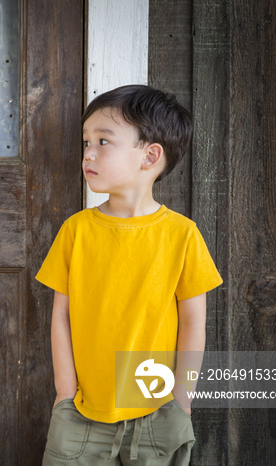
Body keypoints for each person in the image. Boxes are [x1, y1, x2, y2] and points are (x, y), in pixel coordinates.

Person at [36, 84, 223, 465]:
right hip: (81, 414)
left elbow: (193, 323)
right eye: (86, 141)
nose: (88, 152)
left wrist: (183, 399)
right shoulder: (76, 231)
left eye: (103, 141)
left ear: (150, 155)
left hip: (159, 413)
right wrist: (64, 391)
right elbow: (61, 315)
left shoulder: (182, 235)